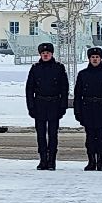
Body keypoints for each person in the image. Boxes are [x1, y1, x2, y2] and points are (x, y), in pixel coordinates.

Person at [25, 42, 69, 170]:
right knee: (40, 135)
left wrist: (63, 106)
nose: (45, 55)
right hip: (39, 104)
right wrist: (31, 106)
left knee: (53, 134)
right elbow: (29, 89)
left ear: (52, 54)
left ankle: (52, 161)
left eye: (47, 53)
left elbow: (64, 89)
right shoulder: (35, 68)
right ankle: (43, 159)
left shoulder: (59, 68)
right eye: (43, 53)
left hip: (54, 104)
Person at [73, 46, 102, 171]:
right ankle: (91, 161)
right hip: (87, 109)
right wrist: (78, 111)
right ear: (89, 59)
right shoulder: (83, 74)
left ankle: (101, 161)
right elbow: (78, 95)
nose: (95, 59)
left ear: (101, 59)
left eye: (97, 57)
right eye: (93, 57)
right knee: (90, 137)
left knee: (101, 137)